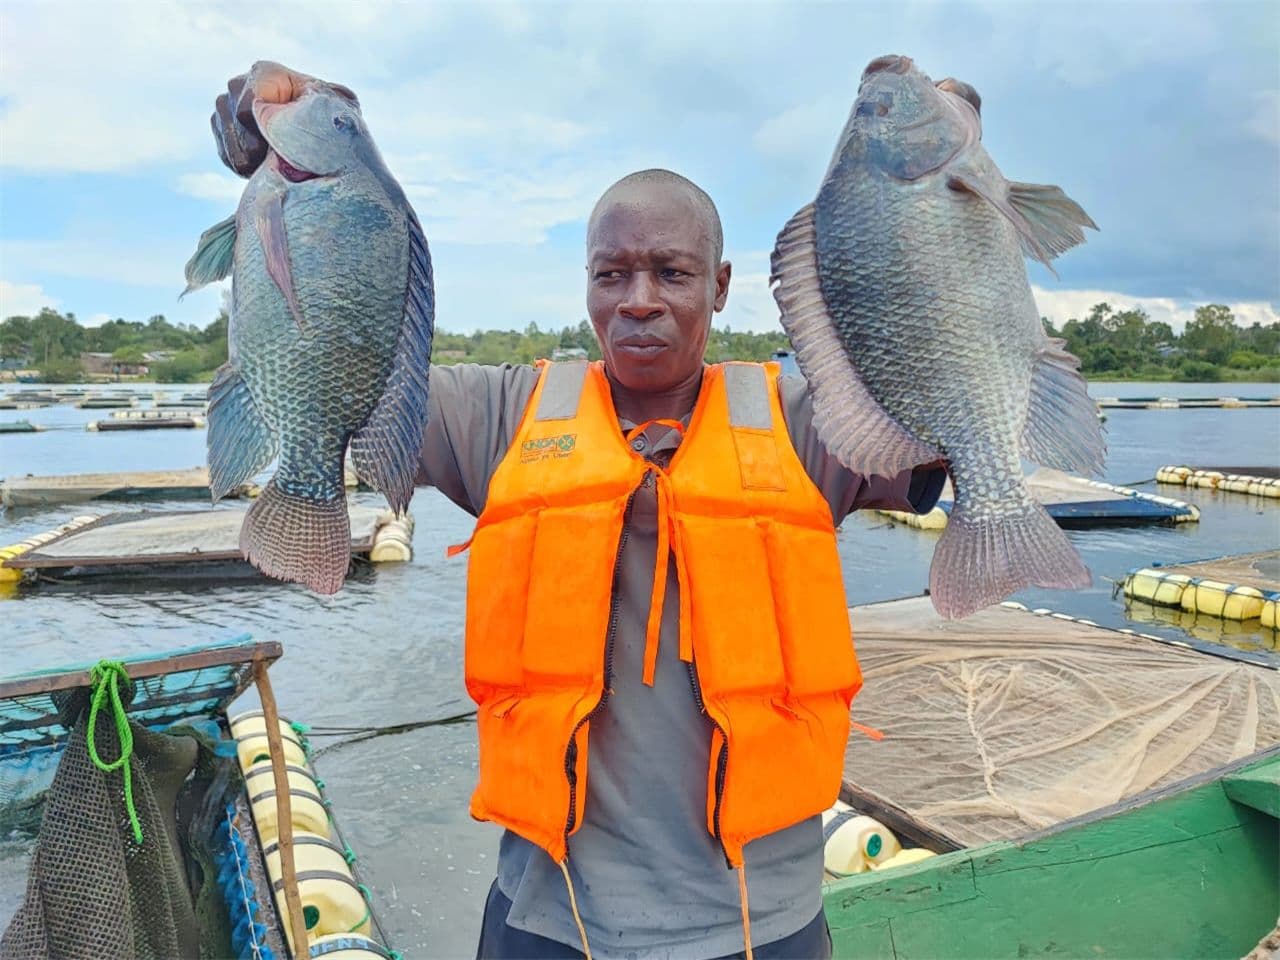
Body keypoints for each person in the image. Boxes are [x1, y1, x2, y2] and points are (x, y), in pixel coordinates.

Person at [212, 62, 946, 960]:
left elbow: (927, 417)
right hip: (547, 919)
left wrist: (933, 213)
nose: (640, 301)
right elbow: (352, 355)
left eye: (671, 273)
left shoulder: (807, 420)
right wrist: (267, 146)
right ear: (586, 284)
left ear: (718, 286)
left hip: (766, 925)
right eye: (613, 273)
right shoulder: (504, 414)